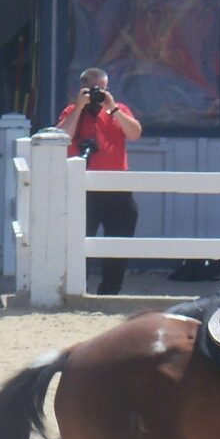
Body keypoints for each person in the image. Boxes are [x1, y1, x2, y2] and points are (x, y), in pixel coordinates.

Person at [57, 67, 143, 295]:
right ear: (82, 89)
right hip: (84, 190)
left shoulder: (119, 110)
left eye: (103, 89)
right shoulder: (71, 111)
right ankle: (78, 290)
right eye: (94, 90)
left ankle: (110, 291)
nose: (99, 94)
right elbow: (61, 137)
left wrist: (112, 107)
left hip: (118, 189)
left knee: (120, 243)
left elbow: (135, 134)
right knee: (79, 241)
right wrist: (79, 108)